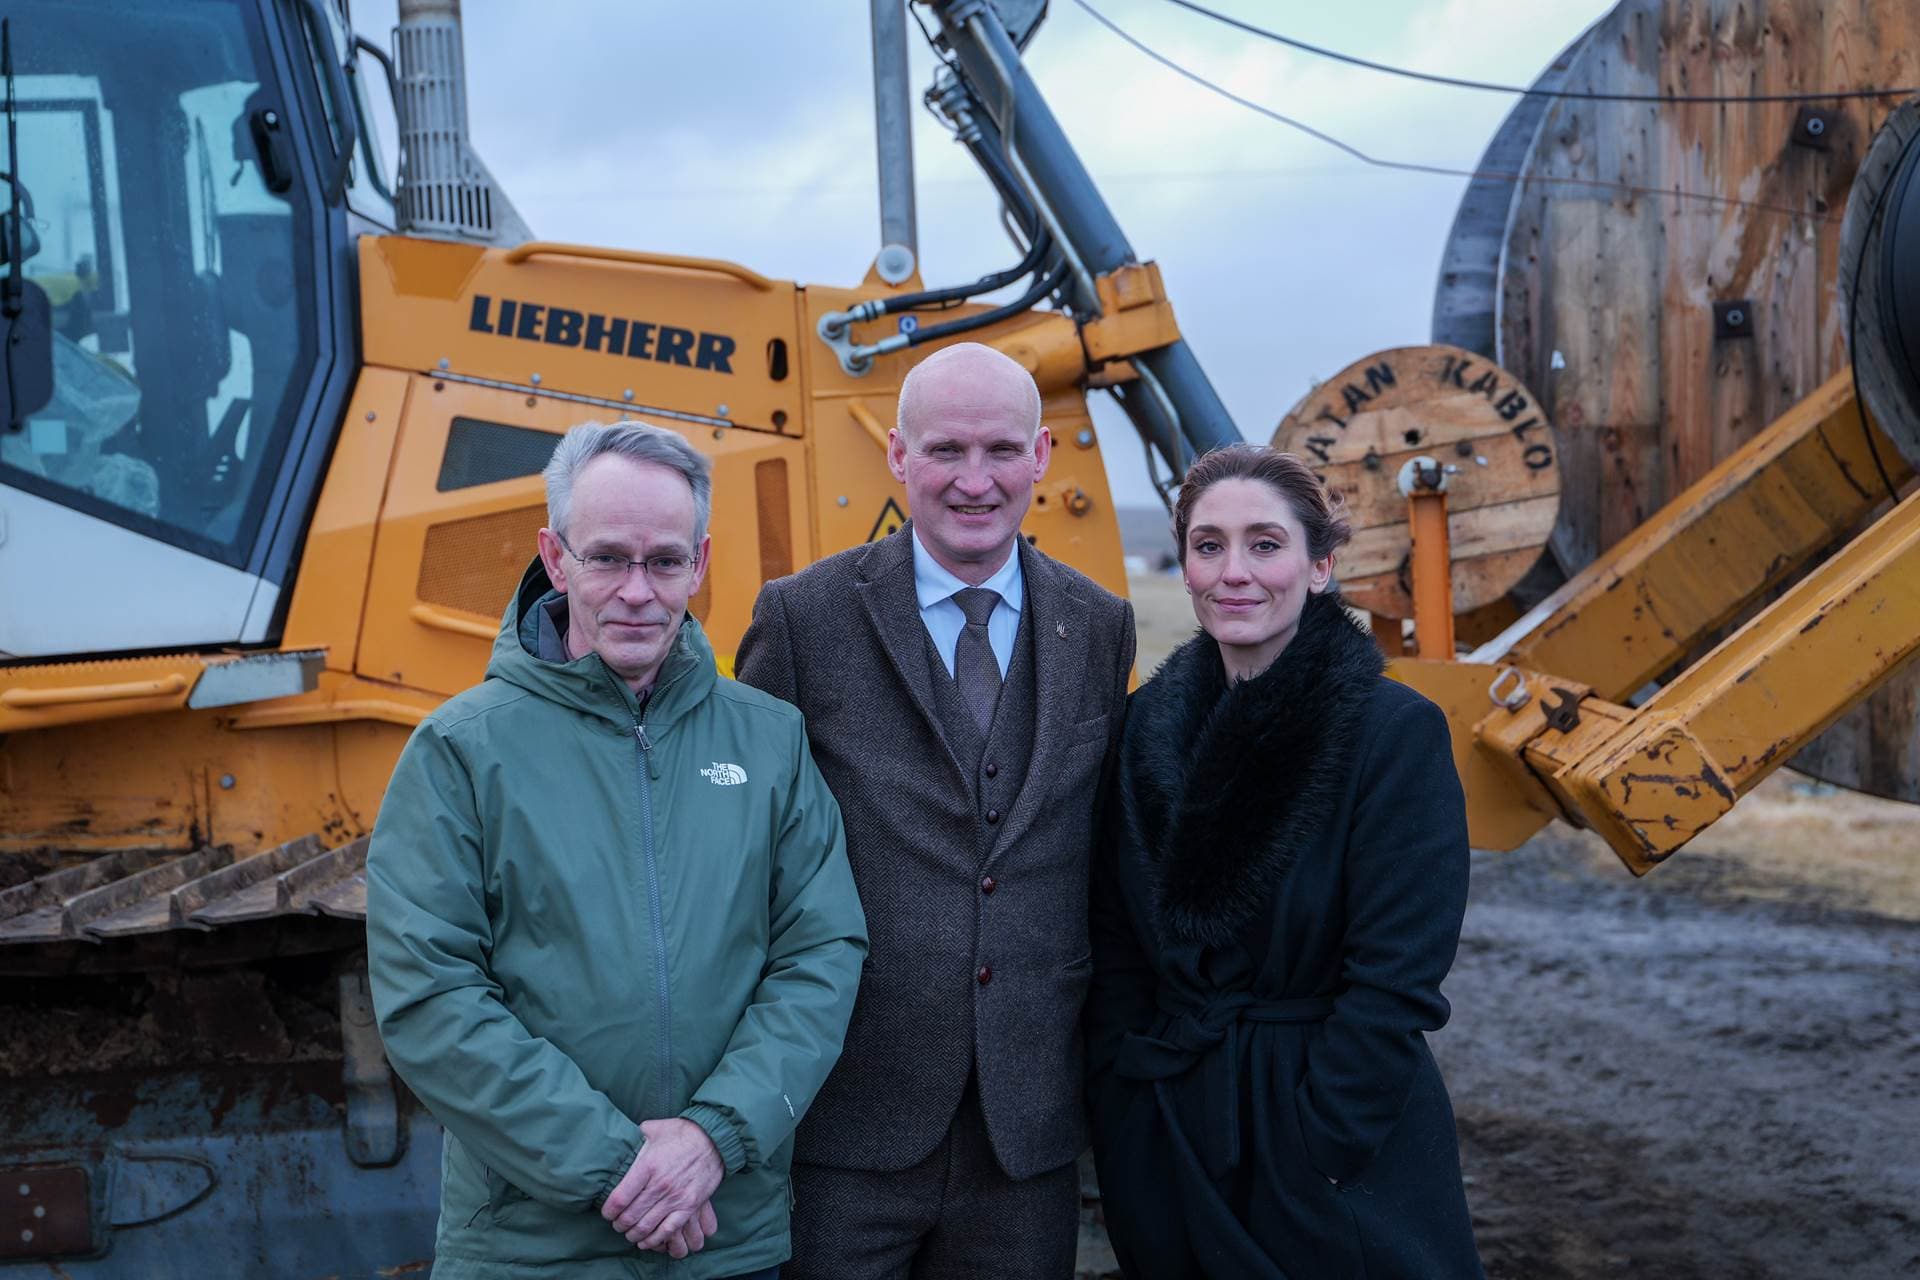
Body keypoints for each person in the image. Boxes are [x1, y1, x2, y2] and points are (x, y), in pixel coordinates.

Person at [367, 420, 868, 1280]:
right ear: (555, 559)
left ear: (700, 564)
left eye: (665, 561)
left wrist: (714, 1139)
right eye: (607, 558)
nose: (637, 590)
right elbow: (432, 996)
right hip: (530, 1249)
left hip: (724, 1239)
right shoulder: (461, 752)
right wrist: (624, 1170)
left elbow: (820, 954)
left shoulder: (770, 741)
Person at [735, 342, 1135, 1279]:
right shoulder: (803, 618)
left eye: (1001, 451)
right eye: (946, 451)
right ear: (898, 457)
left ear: (1042, 456)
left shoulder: (1101, 624)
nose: (974, 480)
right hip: (846, 1112)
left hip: (1024, 1131)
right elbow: (744, 854)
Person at [1086, 444, 1483, 1279]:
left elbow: (1397, 980)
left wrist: (1321, 1143)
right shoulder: (1142, 730)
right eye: (1209, 545)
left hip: (1328, 1147)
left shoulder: (1391, 733)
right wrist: (1128, 1105)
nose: (1235, 572)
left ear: (1320, 568)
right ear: (1185, 564)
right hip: (1173, 1129)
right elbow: (1118, 940)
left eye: (1265, 545)